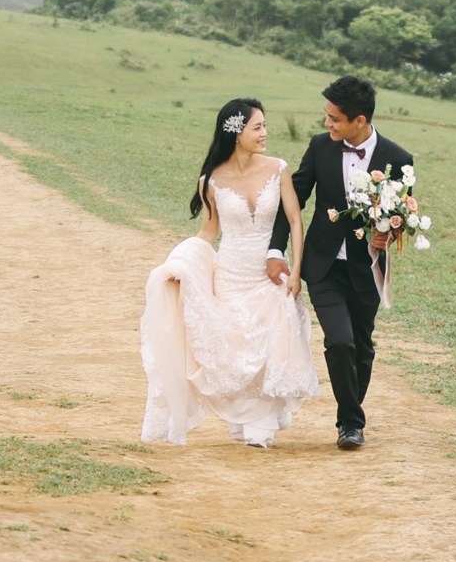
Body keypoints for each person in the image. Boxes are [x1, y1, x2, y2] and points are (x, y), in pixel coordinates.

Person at [140, 98, 320, 447]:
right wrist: (181, 263)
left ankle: (260, 428)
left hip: (269, 273)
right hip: (231, 273)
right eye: (258, 127)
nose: (265, 133)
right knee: (238, 348)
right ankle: (247, 422)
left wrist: (295, 271)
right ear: (237, 132)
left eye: (265, 126)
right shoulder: (210, 180)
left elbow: (296, 220)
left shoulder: (278, 168)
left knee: (272, 343)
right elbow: (208, 232)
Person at [268, 75, 415, 451]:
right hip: (323, 264)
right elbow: (293, 202)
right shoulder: (320, 148)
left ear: (360, 121)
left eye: (335, 118)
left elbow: (399, 216)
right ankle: (350, 422)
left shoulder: (399, 159)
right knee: (341, 341)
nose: (327, 124)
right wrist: (275, 250)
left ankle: (351, 415)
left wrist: (389, 234)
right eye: (327, 117)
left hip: (367, 267)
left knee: (363, 346)